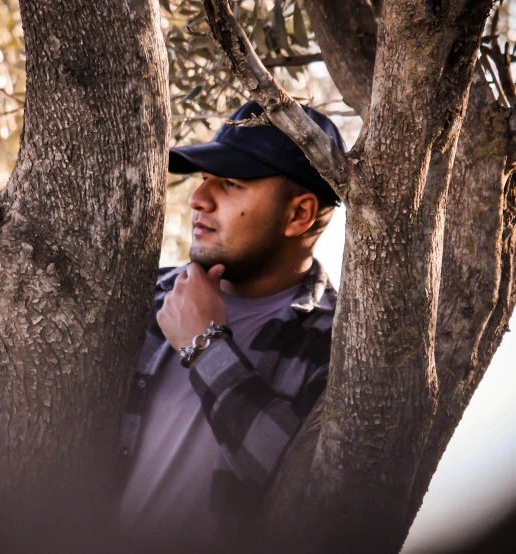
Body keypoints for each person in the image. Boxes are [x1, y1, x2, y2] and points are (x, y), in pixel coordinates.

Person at [114, 100, 346, 550]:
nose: (198, 198)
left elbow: (307, 493)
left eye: (231, 183)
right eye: (204, 179)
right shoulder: (143, 295)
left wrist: (206, 348)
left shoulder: (338, 343)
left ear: (298, 214)